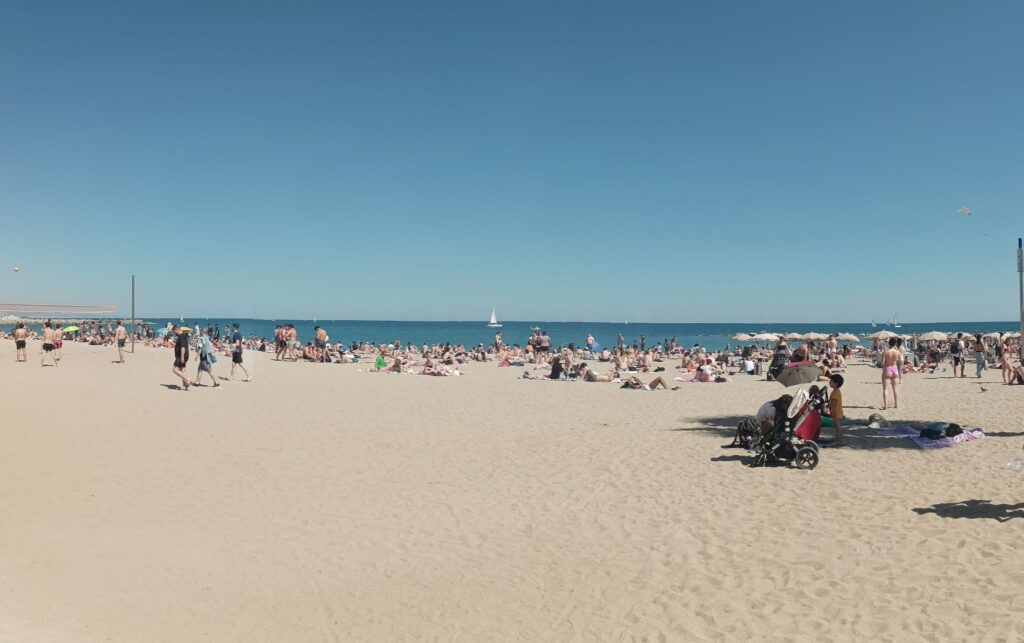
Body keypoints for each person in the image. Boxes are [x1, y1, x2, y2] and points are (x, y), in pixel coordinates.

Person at [881, 337, 900, 410]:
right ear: (895, 343)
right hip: (895, 369)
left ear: (889, 343)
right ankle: (896, 404)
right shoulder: (897, 352)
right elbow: (898, 359)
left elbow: (882, 363)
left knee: (885, 389)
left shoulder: (886, 352)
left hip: (887, 369)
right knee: (895, 389)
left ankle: (885, 406)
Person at [827, 374, 845, 446]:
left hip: (836, 412)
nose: (829, 382)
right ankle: (838, 439)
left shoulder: (835, 392)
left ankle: (839, 440)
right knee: (837, 426)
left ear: (836, 384)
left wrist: (828, 406)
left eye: (831, 381)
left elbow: (834, 403)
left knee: (838, 426)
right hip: (837, 411)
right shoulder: (836, 391)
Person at [171, 325, 191, 390]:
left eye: (174, 332)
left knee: (175, 369)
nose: (174, 333)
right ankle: (185, 386)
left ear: (176, 330)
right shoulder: (183, 336)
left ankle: (187, 379)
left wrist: (182, 357)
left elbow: (183, 347)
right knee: (182, 369)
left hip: (181, 356)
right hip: (185, 355)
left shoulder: (181, 336)